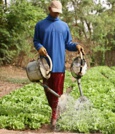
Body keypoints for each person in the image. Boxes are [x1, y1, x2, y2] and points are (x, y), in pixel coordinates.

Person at [33, 0, 84, 129]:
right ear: (49, 9)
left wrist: (77, 45)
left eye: (58, 13)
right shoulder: (40, 25)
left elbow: (68, 43)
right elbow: (36, 40)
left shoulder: (64, 26)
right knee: (48, 90)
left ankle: (55, 115)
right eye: (54, 12)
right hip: (45, 66)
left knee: (57, 91)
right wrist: (39, 47)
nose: (56, 14)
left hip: (59, 66)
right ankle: (56, 110)